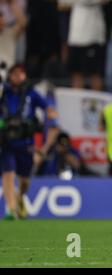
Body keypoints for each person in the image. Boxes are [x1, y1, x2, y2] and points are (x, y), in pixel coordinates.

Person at [0, 64, 58, 220]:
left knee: (24, 180)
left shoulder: (31, 93)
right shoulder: (3, 92)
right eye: (14, 73)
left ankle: (20, 197)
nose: (18, 76)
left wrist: (51, 112)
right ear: (9, 75)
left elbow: (47, 107)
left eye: (21, 73)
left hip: (25, 142)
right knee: (8, 174)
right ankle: (11, 210)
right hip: (6, 141)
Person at [58, 0, 111, 90]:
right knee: (76, 72)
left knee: (94, 73)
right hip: (76, 38)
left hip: (93, 39)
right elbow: (63, 0)